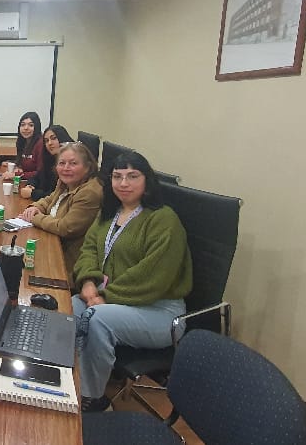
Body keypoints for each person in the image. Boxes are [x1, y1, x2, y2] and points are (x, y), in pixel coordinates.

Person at [70, 151, 192, 412]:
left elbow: (151, 275)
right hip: (111, 297)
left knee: (97, 318)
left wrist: (103, 297)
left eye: (133, 176)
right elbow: (89, 249)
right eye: (117, 176)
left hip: (160, 311)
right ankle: (71, 380)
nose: (123, 183)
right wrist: (88, 283)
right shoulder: (109, 214)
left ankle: (94, 398)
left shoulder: (163, 219)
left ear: (147, 181)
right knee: (69, 306)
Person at [18, 141, 103, 266]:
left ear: (87, 167)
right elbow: (50, 199)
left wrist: (35, 218)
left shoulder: (89, 192)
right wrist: (35, 207)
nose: (66, 168)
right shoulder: (65, 182)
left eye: (73, 163)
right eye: (62, 163)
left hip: (68, 259)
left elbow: (65, 227)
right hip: (51, 241)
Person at [21, 125, 74, 201]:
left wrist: (33, 193)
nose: (49, 143)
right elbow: (36, 177)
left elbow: (60, 195)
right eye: (46, 140)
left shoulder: (69, 165)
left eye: (53, 138)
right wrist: (30, 185)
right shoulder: (50, 159)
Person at [1, 112, 43, 183]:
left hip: (36, 184)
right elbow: (24, 162)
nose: (26, 128)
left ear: (37, 127)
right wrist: (17, 166)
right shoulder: (22, 142)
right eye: (23, 125)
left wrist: (16, 175)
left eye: (31, 125)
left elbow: (40, 173)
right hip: (26, 181)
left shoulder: (41, 144)